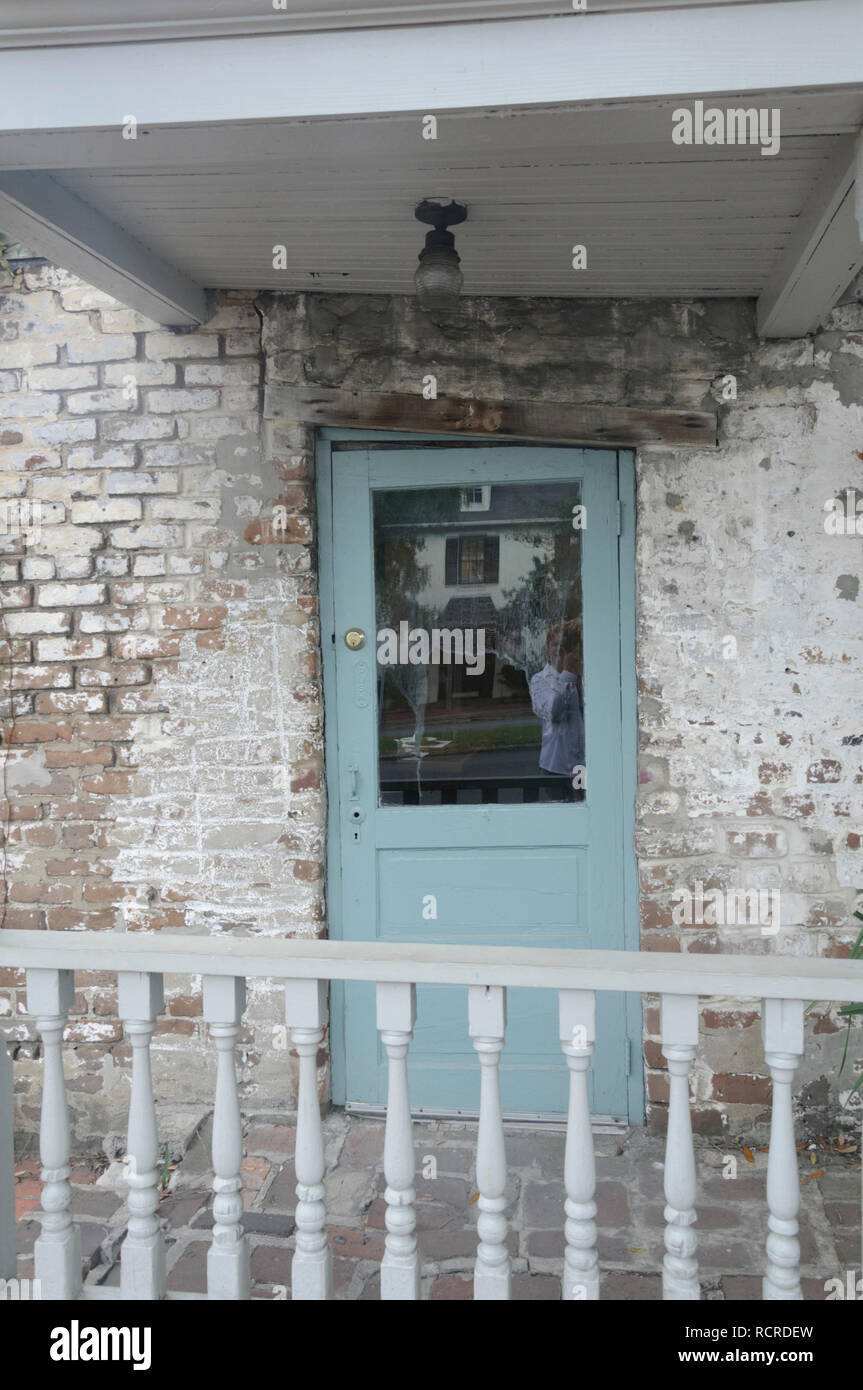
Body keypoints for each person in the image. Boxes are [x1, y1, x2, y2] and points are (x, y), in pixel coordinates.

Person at [529, 620, 585, 785]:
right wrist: (568, 674)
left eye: (566, 644)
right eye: (555, 644)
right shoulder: (540, 680)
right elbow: (553, 712)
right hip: (557, 768)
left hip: (588, 764)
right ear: (547, 648)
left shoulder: (587, 675)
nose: (560, 649)